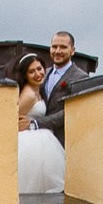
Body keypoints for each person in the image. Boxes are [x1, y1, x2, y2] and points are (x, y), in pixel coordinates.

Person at [13, 52, 66, 194]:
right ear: (25, 75)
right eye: (31, 72)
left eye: (39, 68)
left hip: (39, 137)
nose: (38, 74)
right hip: (28, 142)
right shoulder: (29, 95)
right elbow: (11, 119)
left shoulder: (38, 91)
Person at [29, 31, 82, 145]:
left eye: (63, 47)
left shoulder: (81, 77)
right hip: (36, 141)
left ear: (72, 50)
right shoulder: (43, 73)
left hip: (62, 142)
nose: (58, 51)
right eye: (54, 47)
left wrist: (36, 124)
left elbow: (71, 111)